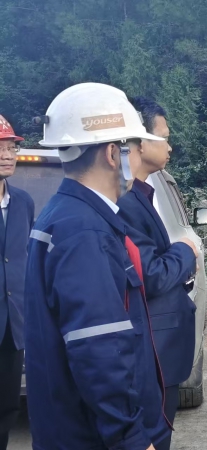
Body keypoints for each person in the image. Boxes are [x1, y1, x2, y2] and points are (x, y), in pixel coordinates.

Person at [25, 82, 172, 449]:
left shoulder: (64, 216)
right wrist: (132, 438)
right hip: (92, 438)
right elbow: (99, 347)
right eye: (132, 147)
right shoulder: (84, 230)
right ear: (112, 153)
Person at [116, 98, 200, 447]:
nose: (170, 146)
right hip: (152, 349)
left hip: (159, 349)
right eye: (164, 137)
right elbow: (151, 274)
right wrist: (186, 250)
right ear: (138, 141)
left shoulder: (141, 195)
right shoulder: (126, 201)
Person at [0, 114, 31, 450]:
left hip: (13, 326)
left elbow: (23, 257)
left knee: (7, 408)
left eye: (11, 148)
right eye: (0, 148)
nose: (7, 156)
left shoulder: (23, 202)